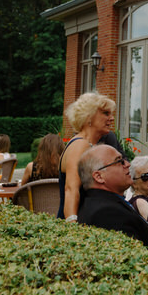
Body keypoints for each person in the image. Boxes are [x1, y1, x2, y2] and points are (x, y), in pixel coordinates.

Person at [59, 92, 117, 221]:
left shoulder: (88, 144)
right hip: (79, 221)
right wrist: (72, 226)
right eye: (106, 113)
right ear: (89, 117)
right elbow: (71, 189)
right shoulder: (80, 145)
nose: (112, 118)